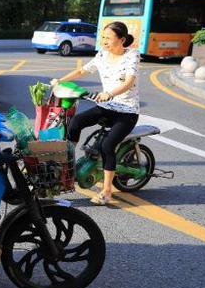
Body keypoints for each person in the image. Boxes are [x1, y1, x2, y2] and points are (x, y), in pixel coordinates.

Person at [51, 21, 140, 205]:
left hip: (127, 112)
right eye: (103, 37)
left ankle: (106, 191)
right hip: (106, 107)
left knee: (107, 145)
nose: (104, 41)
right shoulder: (102, 54)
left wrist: (109, 93)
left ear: (121, 40)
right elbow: (82, 70)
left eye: (108, 38)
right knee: (75, 122)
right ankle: (67, 167)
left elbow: (129, 82)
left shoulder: (132, 55)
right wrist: (59, 81)